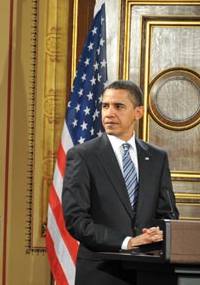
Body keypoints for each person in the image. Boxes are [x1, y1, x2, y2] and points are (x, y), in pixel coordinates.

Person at [62, 80, 179, 285]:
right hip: (102, 272)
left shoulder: (157, 157)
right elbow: (76, 219)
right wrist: (127, 242)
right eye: (105, 106)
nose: (109, 113)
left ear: (138, 112)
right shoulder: (82, 156)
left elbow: (168, 213)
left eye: (119, 106)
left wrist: (160, 231)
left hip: (150, 272)